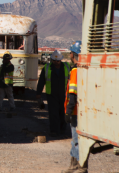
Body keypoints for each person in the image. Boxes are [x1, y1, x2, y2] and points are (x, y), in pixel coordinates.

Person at [62, 41, 88, 173]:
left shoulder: (75, 71)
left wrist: (68, 111)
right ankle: (73, 166)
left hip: (76, 111)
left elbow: (72, 94)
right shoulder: (85, 69)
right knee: (74, 140)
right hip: (81, 111)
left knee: (77, 140)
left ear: (73, 54)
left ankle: (81, 167)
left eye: (71, 52)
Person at [36, 50, 70, 136]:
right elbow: (41, 81)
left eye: (58, 61)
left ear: (61, 60)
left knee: (63, 112)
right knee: (53, 113)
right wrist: (38, 93)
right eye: (54, 60)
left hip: (64, 94)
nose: (56, 62)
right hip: (51, 95)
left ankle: (62, 130)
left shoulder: (67, 67)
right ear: (51, 60)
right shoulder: (47, 67)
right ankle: (54, 131)